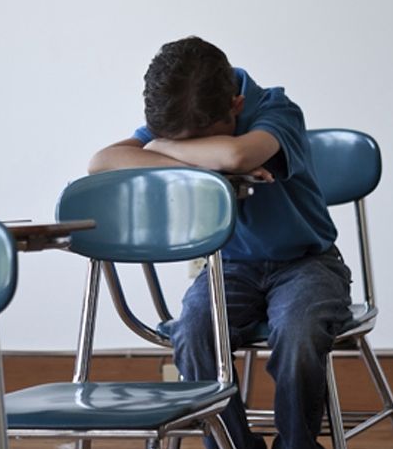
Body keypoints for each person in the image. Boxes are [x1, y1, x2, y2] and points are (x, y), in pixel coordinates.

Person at [88, 36, 352, 449]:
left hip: (306, 263)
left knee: (299, 330)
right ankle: (231, 444)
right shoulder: (183, 113)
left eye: (200, 142)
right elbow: (101, 162)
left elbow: (237, 157)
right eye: (182, 142)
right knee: (192, 330)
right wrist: (195, 154)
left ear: (236, 105)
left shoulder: (276, 109)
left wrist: (163, 149)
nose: (191, 148)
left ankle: (297, 444)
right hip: (228, 268)